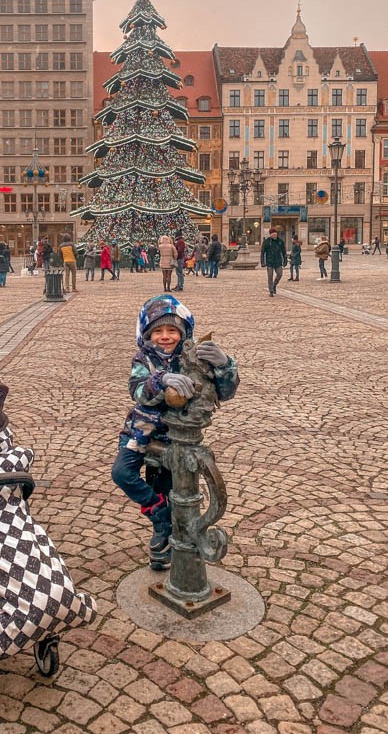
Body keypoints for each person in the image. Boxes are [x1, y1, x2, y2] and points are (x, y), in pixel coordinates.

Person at [111, 294, 239, 569]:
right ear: (147, 334)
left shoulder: (191, 356)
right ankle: (159, 515)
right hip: (142, 432)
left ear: (183, 333)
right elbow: (137, 388)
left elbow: (224, 392)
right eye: (158, 330)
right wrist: (160, 380)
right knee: (122, 473)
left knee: (168, 488)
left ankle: (165, 546)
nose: (165, 336)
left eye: (172, 330)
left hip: (176, 438)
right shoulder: (144, 357)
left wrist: (224, 364)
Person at [260, 228, 288, 297]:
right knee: (270, 276)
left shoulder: (280, 241)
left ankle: (274, 285)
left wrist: (285, 260)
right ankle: (271, 291)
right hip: (269, 262)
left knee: (279, 274)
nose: (274, 234)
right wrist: (262, 262)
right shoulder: (267, 242)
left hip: (278, 261)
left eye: (275, 232)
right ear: (270, 234)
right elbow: (262, 252)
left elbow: (284, 252)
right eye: (272, 233)